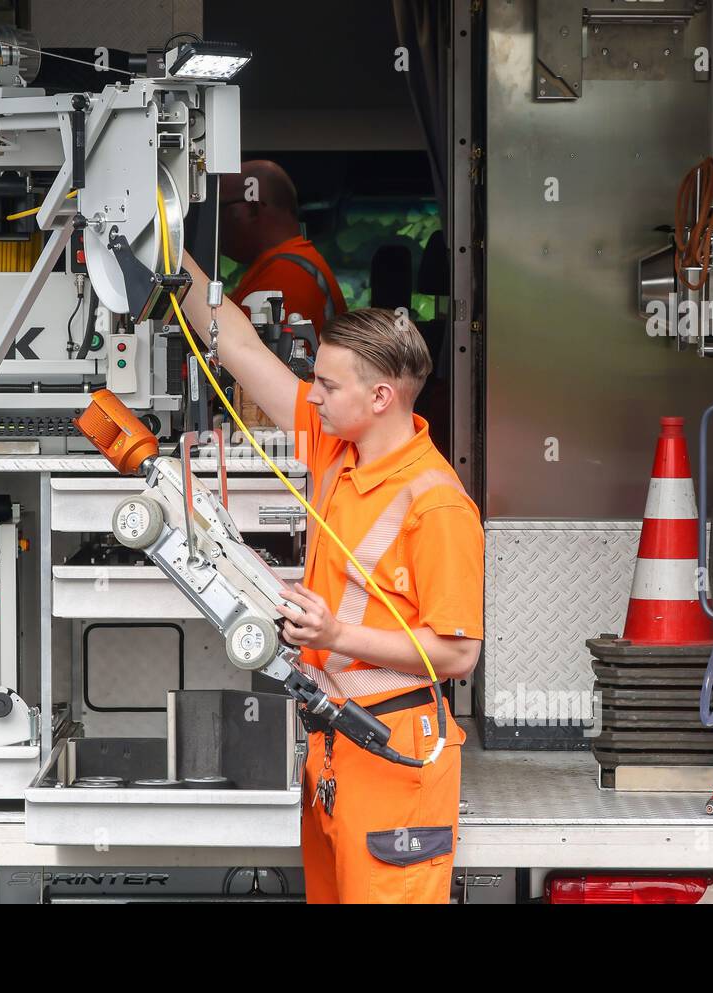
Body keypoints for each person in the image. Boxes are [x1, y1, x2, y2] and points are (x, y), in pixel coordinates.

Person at [178, 254, 485, 904]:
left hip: (395, 757)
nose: (310, 395)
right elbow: (235, 343)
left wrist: (338, 632)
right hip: (337, 744)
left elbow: (459, 652)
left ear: (381, 397)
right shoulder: (334, 447)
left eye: (326, 384)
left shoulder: (438, 505)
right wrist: (164, 237)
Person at [220, 160, 347, 333]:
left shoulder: (287, 272)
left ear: (252, 209)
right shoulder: (286, 265)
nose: (216, 221)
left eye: (221, 208)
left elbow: (244, 353)